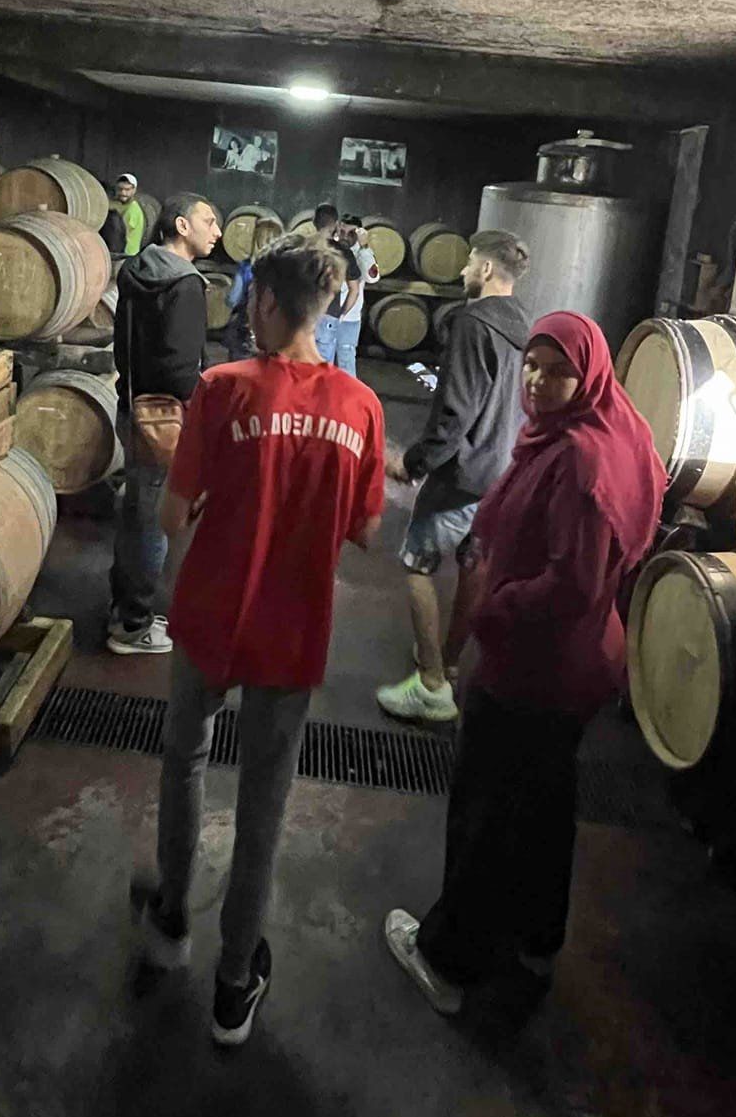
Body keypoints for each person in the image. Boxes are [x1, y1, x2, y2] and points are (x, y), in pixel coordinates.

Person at [132, 234, 385, 1045]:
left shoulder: (221, 388)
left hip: (211, 612)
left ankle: (171, 920)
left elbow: (172, 515)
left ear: (268, 302)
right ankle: (235, 982)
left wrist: (209, 493)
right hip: (293, 624)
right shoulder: (362, 406)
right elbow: (367, 531)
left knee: (186, 761)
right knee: (264, 802)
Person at [384, 312, 666, 1019]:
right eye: (532, 366)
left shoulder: (580, 461)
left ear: (588, 374)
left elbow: (572, 587)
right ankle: (536, 939)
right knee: (542, 808)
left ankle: (448, 961)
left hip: (537, 669)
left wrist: (493, 610)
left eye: (557, 371)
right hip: (583, 662)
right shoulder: (611, 430)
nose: (537, 382)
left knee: (485, 812)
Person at [376, 230, 531, 725]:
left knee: (416, 566)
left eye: (469, 263)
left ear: (486, 270)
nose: (463, 270)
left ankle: (430, 684)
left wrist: (413, 464)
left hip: (461, 475)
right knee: (473, 568)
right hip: (501, 473)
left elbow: (453, 413)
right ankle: (450, 663)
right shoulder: (526, 323)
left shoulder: (473, 322)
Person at [108, 191, 223, 654]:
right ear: (181, 225)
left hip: (133, 407)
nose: (217, 232)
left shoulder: (136, 270)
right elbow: (181, 370)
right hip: (167, 418)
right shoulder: (186, 284)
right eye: (209, 221)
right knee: (152, 519)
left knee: (136, 512)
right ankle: (133, 626)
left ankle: (123, 607)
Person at [311, 204, 370, 370]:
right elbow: (354, 290)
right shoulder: (343, 252)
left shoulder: (302, 248)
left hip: (304, 315)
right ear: (336, 224)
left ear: (313, 222)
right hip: (329, 316)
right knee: (323, 370)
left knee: (300, 367)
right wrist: (341, 313)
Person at [100, 172, 148, 259]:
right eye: (120, 189)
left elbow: (118, 234)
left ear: (134, 190)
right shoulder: (124, 206)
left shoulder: (133, 210)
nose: (123, 193)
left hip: (126, 256)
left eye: (127, 190)